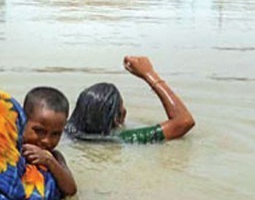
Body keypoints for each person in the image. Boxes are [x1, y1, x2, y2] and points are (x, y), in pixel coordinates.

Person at [65, 56, 195, 144]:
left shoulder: (61, 132)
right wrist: (149, 74)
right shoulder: (122, 139)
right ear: (117, 119)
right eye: (122, 110)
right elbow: (184, 121)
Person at [21, 87, 77, 197]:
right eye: (39, 131)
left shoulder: (54, 157)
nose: (46, 140)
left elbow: (71, 190)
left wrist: (49, 161)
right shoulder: (11, 149)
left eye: (55, 134)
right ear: (22, 122)